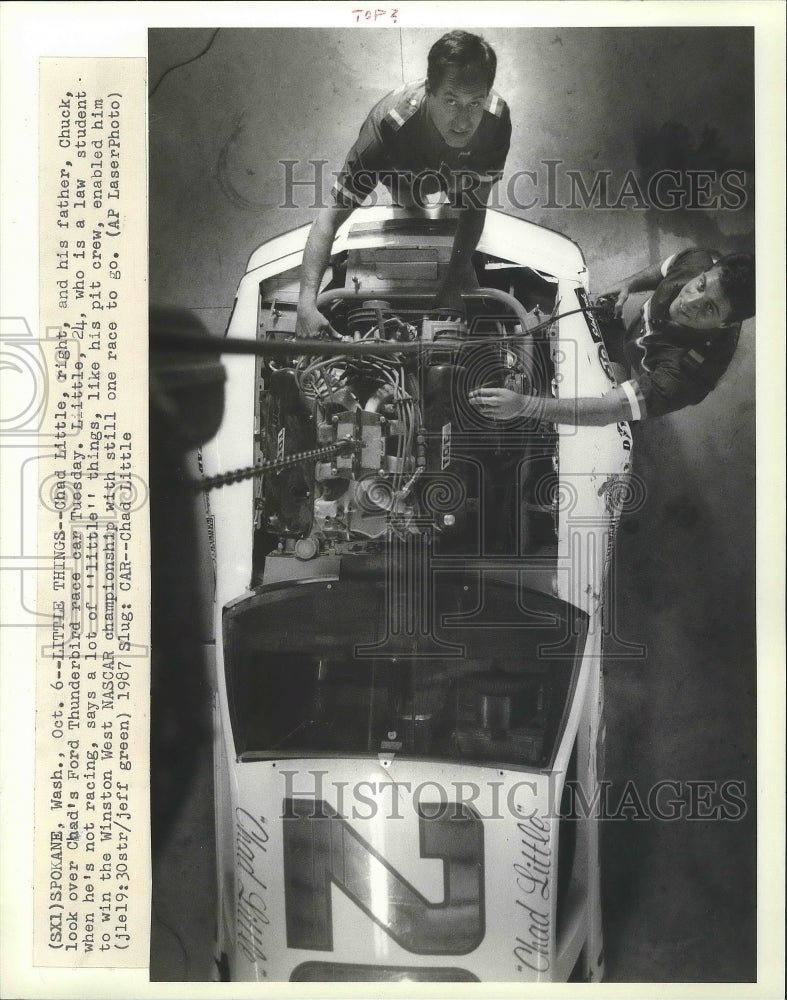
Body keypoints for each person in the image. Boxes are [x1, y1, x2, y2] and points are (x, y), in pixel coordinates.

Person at [295, 30, 511, 338]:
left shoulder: (496, 121)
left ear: (487, 95)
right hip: (404, 167)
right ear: (429, 90)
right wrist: (305, 304)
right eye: (451, 100)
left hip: (460, 167)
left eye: (474, 103)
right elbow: (329, 217)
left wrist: (452, 288)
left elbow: (475, 209)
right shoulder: (387, 131)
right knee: (409, 204)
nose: (463, 121)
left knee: (461, 203)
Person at [469, 248, 756, 425]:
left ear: (724, 324)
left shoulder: (687, 376)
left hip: (646, 366)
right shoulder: (699, 261)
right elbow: (667, 267)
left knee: (621, 413)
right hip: (637, 333)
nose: (690, 301)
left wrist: (524, 405)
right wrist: (629, 283)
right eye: (700, 285)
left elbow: (610, 409)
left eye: (709, 308)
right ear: (705, 272)